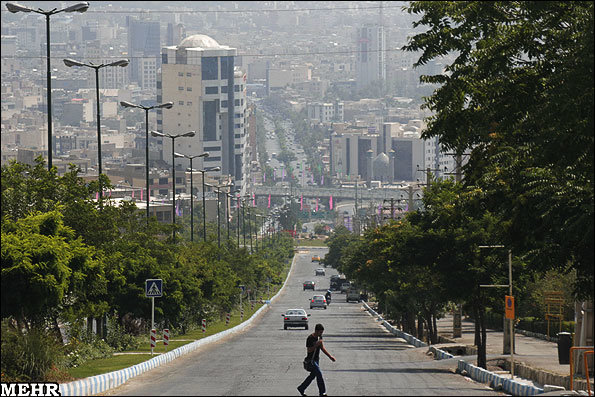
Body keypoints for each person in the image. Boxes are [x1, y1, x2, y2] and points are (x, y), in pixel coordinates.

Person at [297, 323, 336, 396]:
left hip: (316, 360)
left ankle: (301, 388)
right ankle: (322, 392)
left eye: (322, 332)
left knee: (313, 376)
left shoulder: (319, 337)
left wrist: (330, 356)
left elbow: (322, 347)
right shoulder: (310, 338)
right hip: (311, 361)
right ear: (316, 331)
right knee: (319, 374)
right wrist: (316, 345)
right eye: (320, 332)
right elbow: (309, 350)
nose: (321, 334)